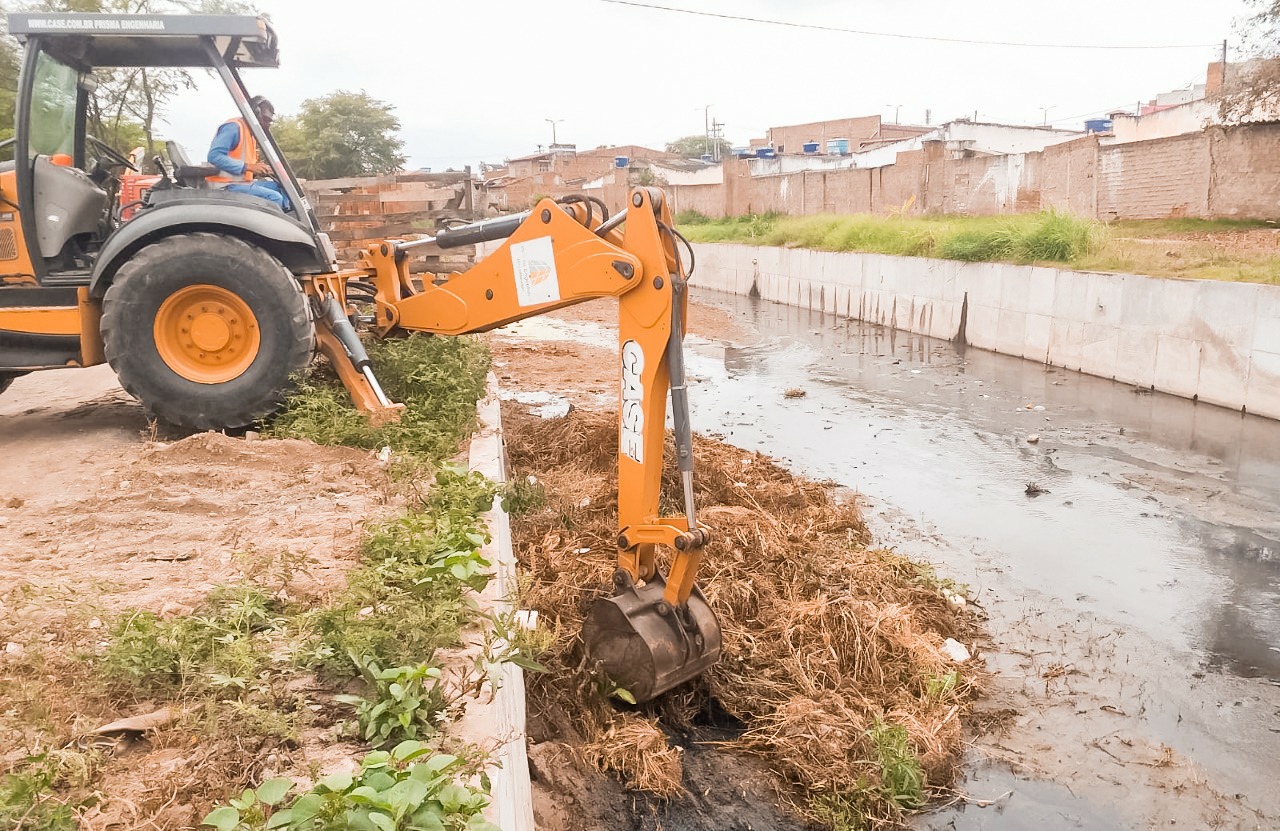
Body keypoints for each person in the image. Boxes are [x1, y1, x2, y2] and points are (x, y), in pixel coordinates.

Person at [207, 95, 290, 211]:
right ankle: (268, 227)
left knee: (283, 188)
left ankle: (287, 215)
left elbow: (247, 164)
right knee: (275, 198)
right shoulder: (234, 127)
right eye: (265, 119)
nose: (268, 125)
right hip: (227, 185)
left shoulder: (251, 133)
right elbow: (214, 156)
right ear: (254, 113)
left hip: (243, 183)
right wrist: (249, 167)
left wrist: (262, 169)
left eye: (270, 121)